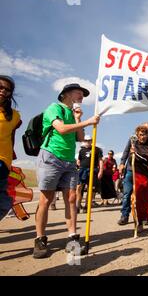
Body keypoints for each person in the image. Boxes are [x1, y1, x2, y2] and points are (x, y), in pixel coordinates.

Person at [34, 83, 100, 259]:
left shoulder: (72, 113)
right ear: (66, 94)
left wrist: (79, 119)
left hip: (69, 161)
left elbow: (79, 137)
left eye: (83, 94)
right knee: (46, 199)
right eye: (79, 92)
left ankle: (72, 237)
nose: (82, 96)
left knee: (71, 198)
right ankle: (40, 239)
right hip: (51, 157)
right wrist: (89, 121)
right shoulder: (54, 108)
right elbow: (62, 129)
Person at [117, 123, 148, 234]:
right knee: (137, 198)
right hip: (136, 173)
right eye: (141, 134)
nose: (143, 136)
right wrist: (123, 162)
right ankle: (137, 222)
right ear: (137, 134)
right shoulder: (133, 141)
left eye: (146, 133)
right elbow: (127, 154)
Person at [0, 75, 21, 221]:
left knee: (5, 203)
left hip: (2, 161)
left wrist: (10, 162)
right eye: (0, 87)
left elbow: (12, 138)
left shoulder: (14, 116)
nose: (3, 91)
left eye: (7, 90)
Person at [76, 135, 103, 213]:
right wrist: (78, 167)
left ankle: (86, 206)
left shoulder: (97, 150)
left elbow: (100, 160)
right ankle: (78, 205)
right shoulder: (81, 150)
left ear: (91, 140)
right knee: (79, 187)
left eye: (89, 140)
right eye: (86, 140)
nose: (87, 142)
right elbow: (79, 160)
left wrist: (101, 170)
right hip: (82, 170)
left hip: (92, 170)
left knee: (90, 189)